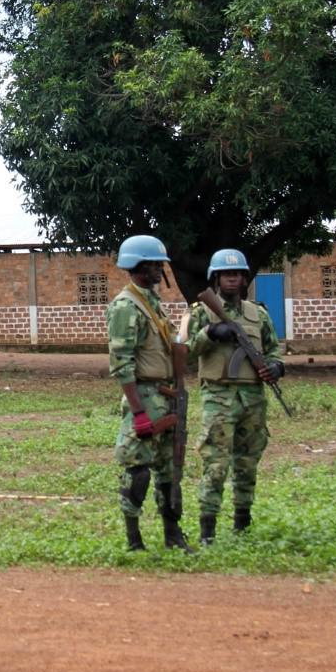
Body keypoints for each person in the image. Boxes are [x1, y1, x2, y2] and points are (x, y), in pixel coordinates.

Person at [184, 248, 285, 546]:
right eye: (226, 275)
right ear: (215, 278)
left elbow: (273, 351)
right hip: (218, 396)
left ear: (244, 279)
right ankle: (208, 530)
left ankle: (243, 520)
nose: (232, 279)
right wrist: (210, 333)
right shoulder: (202, 311)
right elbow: (185, 352)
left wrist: (276, 368)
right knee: (215, 464)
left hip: (253, 398)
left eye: (237, 274)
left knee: (248, 462)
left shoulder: (259, 314)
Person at [107, 234, 192, 553]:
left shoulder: (153, 303)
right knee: (138, 470)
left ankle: (173, 535)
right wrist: (138, 410)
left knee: (170, 471)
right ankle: (134, 540)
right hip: (143, 394)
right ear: (137, 266)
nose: (159, 269)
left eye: (160, 264)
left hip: (167, 395)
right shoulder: (126, 306)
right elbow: (121, 362)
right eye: (154, 264)